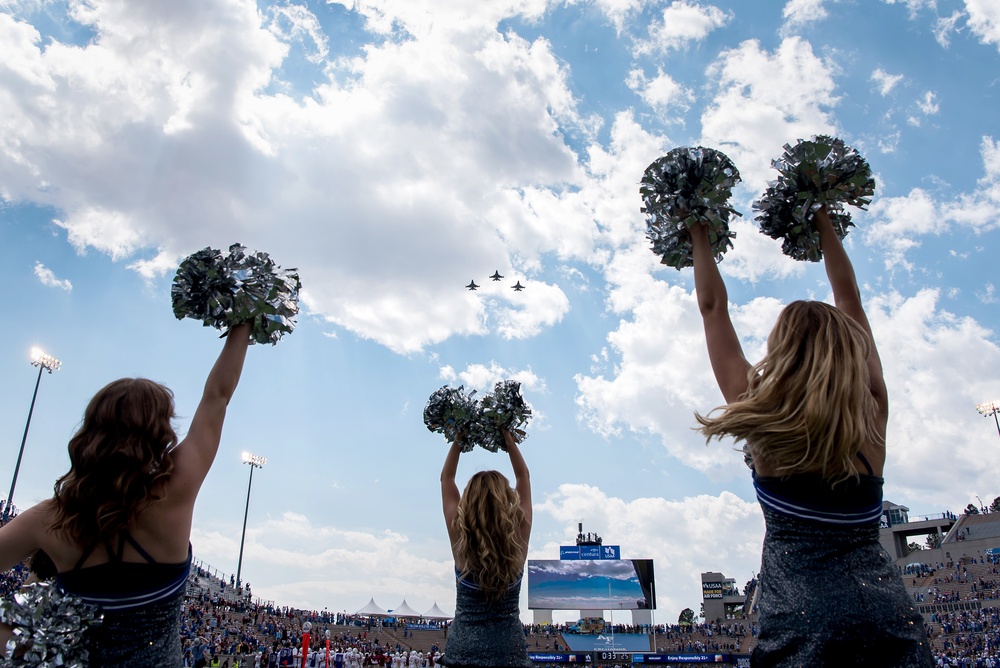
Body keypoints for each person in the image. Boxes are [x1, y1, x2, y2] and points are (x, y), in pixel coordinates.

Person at [690, 207, 933, 666]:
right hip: (885, 615)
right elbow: (851, 302)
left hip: (802, 622)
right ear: (850, 352)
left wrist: (699, 231)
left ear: (780, 349)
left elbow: (712, 309)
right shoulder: (871, 412)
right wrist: (823, 220)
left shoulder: (759, 419)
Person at [0, 322, 252, 667]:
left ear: (91, 431)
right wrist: (245, 322)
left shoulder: (50, 517)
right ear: (159, 432)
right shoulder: (174, 490)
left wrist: (17, 641)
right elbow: (218, 397)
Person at [439, 430, 532, 668]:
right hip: (510, 654)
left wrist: (460, 436)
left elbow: (446, 479)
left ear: (468, 501)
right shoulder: (519, 536)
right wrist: (508, 440)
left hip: (462, 654)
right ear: (506, 500)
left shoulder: (459, 538)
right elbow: (523, 477)